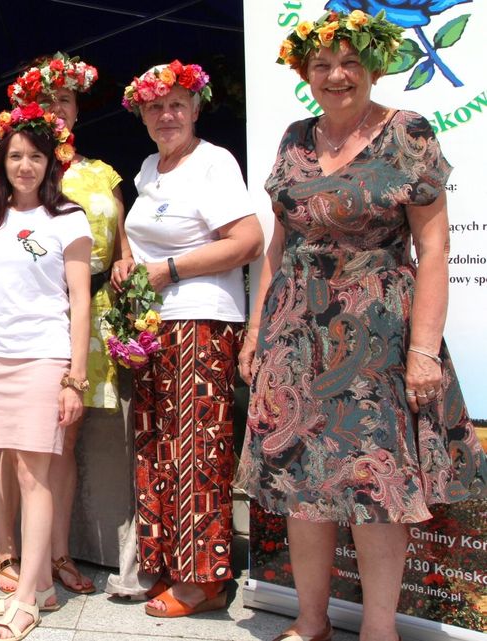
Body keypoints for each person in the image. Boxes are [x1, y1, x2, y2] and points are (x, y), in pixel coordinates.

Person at [237, 10, 487, 641]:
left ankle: (380, 629)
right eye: (321, 65)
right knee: (300, 482)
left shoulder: (408, 133)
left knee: (377, 486)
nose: (337, 75)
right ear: (305, 74)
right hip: (295, 336)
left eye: (350, 63)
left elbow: (434, 247)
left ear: (373, 68)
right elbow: (278, 243)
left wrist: (424, 351)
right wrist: (256, 332)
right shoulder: (295, 136)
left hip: (377, 332)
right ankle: (312, 621)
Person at [111, 60, 263, 618]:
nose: (166, 114)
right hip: (154, 325)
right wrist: (131, 265)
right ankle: (171, 561)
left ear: (196, 109)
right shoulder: (149, 167)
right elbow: (143, 241)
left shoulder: (214, 161)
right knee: (158, 446)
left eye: (176, 104)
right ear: (142, 115)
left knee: (200, 449)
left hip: (202, 320)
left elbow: (247, 241)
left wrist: (169, 271)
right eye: (154, 106)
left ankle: (206, 578)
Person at [0, 51, 124, 597]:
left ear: (78, 108)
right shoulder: (1, 173)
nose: (57, 108)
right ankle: (10, 554)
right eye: (46, 101)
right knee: (9, 447)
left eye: (66, 99)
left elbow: (122, 246)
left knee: (60, 440)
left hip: (77, 312)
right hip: (10, 326)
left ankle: (54, 553)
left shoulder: (99, 176)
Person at [0, 104, 90, 641]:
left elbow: (80, 303)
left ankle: (26, 601)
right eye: (14, 156)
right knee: (17, 469)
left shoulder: (67, 218)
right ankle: (40, 585)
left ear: (50, 162)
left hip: (44, 356)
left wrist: (74, 377)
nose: (24, 166)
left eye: (34, 156)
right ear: (1, 160)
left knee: (34, 475)